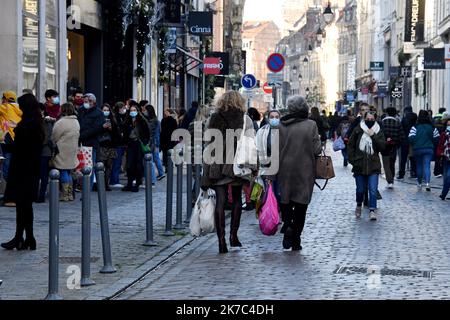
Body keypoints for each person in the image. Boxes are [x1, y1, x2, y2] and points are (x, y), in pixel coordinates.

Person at [201, 91, 255, 254]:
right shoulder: (246, 120)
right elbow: (251, 144)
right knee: (237, 199)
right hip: (236, 164)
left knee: (220, 201)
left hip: (217, 163)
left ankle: (221, 241)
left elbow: (207, 141)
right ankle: (233, 236)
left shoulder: (213, 118)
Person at [1, 94, 45, 250]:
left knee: (23, 206)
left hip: (23, 170)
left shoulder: (29, 125)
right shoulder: (34, 123)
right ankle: (26, 238)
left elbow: (22, 148)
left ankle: (22, 237)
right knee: (24, 206)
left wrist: (8, 141)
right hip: (29, 170)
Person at [277, 96, 322, 251]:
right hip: (305, 170)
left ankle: (287, 225)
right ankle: (296, 240)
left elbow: (275, 150)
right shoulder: (311, 125)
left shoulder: (280, 125)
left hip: (285, 169)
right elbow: (317, 149)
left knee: (286, 202)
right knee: (301, 206)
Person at [347, 110, 386, 221]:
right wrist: (352, 160)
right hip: (359, 165)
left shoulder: (378, 131)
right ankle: (359, 205)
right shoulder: (358, 129)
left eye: (372, 119)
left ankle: (372, 210)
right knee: (360, 190)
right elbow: (350, 145)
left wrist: (373, 135)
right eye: (368, 119)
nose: (370, 121)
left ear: (375, 119)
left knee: (373, 189)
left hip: (373, 165)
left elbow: (382, 146)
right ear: (364, 119)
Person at [50, 103, 80, 201]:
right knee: (68, 171)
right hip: (72, 149)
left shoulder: (61, 122)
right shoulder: (76, 121)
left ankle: (65, 194)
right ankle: (70, 193)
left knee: (63, 170)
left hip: (62, 149)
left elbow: (54, 136)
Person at [78, 93, 105, 189]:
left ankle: (87, 189)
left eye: (87, 101)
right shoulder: (81, 110)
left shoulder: (98, 113)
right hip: (80, 143)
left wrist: (82, 135)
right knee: (80, 166)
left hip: (91, 143)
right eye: (84, 101)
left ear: (93, 102)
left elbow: (97, 129)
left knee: (89, 166)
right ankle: (81, 186)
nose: (84, 103)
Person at [409, 110, 440, 191]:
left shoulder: (415, 127)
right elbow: (437, 138)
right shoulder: (432, 127)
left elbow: (410, 138)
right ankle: (427, 183)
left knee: (419, 166)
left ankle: (419, 183)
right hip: (429, 149)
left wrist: (415, 143)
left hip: (417, 149)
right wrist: (432, 143)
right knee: (427, 166)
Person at [0, 91, 22, 206]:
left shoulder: (5, 107)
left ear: (6, 99)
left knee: (7, 171)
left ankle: (12, 197)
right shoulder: (18, 108)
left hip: (8, 142)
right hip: (17, 141)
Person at [122, 105, 150, 192]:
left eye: (134, 110)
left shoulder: (142, 121)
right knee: (129, 165)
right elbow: (125, 133)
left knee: (138, 164)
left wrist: (145, 141)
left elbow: (147, 133)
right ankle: (129, 183)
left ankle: (137, 183)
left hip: (138, 144)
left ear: (137, 111)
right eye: (131, 110)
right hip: (130, 144)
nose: (132, 112)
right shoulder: (127, 121)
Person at [256, 109, 281, 201]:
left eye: (276, 117)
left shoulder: (284, 130)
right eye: (272, 117)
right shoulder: (262, 131)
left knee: (278, 193)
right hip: (266, 167)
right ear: (268, 118)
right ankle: (270, 213)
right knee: (268, 193)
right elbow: (257, 148)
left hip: (281, 167)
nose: (274, 119)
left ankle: (278, 211)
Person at [97, 103, 120, 191]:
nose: (106, 112)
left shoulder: (113, 120)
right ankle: (100, 183)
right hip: (102, 145)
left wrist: (111, 129)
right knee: (101, 165)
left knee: (109, 166)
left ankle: (106, 183)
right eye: (104, 110)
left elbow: (117, 133)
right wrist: (103, 127)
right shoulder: (99, 120)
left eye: (107, 110)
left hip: (111, 145)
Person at [35, 103, 56, 203]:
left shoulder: (47, 122)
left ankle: (41, 195)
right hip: (35, 152)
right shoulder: (33, 121)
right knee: (35, 174)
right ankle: (34, 194)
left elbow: (47, 137)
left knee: (43, 175)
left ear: (43, 111)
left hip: (44, 152)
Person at [380, 107, 405, 189]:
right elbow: (402, 135)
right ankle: (392, 179)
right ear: (395, 114)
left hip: (384, 146)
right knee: (392, 163)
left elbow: (379, 134)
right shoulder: (397, 122)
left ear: (387, 113)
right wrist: (398, 144)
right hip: (394, 146)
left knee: (386, 164)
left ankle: (389, 180)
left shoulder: (382, 122)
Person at [397, 107, 418, 180]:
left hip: (405, 141)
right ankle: (414, 173)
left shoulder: (404, 120)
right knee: (413, 157)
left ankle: (401, 174)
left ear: (405, 111)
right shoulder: (416, 118)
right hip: (413, 140)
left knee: (403, 159)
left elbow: (401, 130)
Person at [110, 102, 127, 187]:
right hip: (118, 143)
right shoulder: (115, 118)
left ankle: (114, 179)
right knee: (117, 162)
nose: (123, 109)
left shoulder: (124, 116)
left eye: (123, 107)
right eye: (121, 108)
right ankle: (114, 180)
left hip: (123, 143)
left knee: (119, 162)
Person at [437, 113, 450, 200]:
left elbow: (441, 145)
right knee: (447, 175)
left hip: (446, 155)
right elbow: (441, 144)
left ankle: (444, 193)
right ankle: (444, 193)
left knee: (447, 176)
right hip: (446, 156)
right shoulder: (444, 133)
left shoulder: (444, 133)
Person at [433, 108, 447, 178]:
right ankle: (441, 171)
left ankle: (436, 171)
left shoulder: (434, 118)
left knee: (437, 157)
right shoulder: (445, 119)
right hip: (443, 140)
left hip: (436, 140)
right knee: (443, 157)